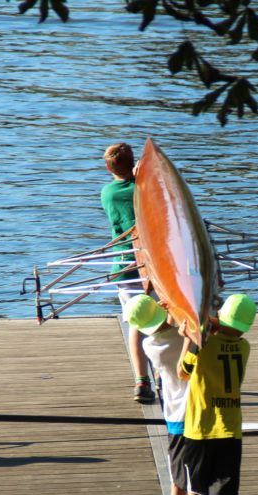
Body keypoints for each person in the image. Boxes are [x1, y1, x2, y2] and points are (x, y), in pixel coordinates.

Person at [123, 294, 206, 495]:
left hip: (174, 421)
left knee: (177, 486)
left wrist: (166, 314)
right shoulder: (186, 337)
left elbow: (168, 329)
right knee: (197, 490)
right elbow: (190, 334)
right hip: (195, 419)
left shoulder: (149, 344)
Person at [177, 293, 256, 495]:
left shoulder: (203, 343)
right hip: (230, 431)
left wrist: (189, 337)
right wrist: (206, 324)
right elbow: (223, 328)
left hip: (198, 430)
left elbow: (183, 372)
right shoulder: (244, 347)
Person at [101, 142, 154, 404]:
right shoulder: (143, 188)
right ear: (133, 163)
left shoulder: (107, 192)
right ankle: (169, 376)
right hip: (152, 263)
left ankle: (141, 380)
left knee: (137, 322)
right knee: (163, 321)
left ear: (107, 167)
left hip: (123, 266)